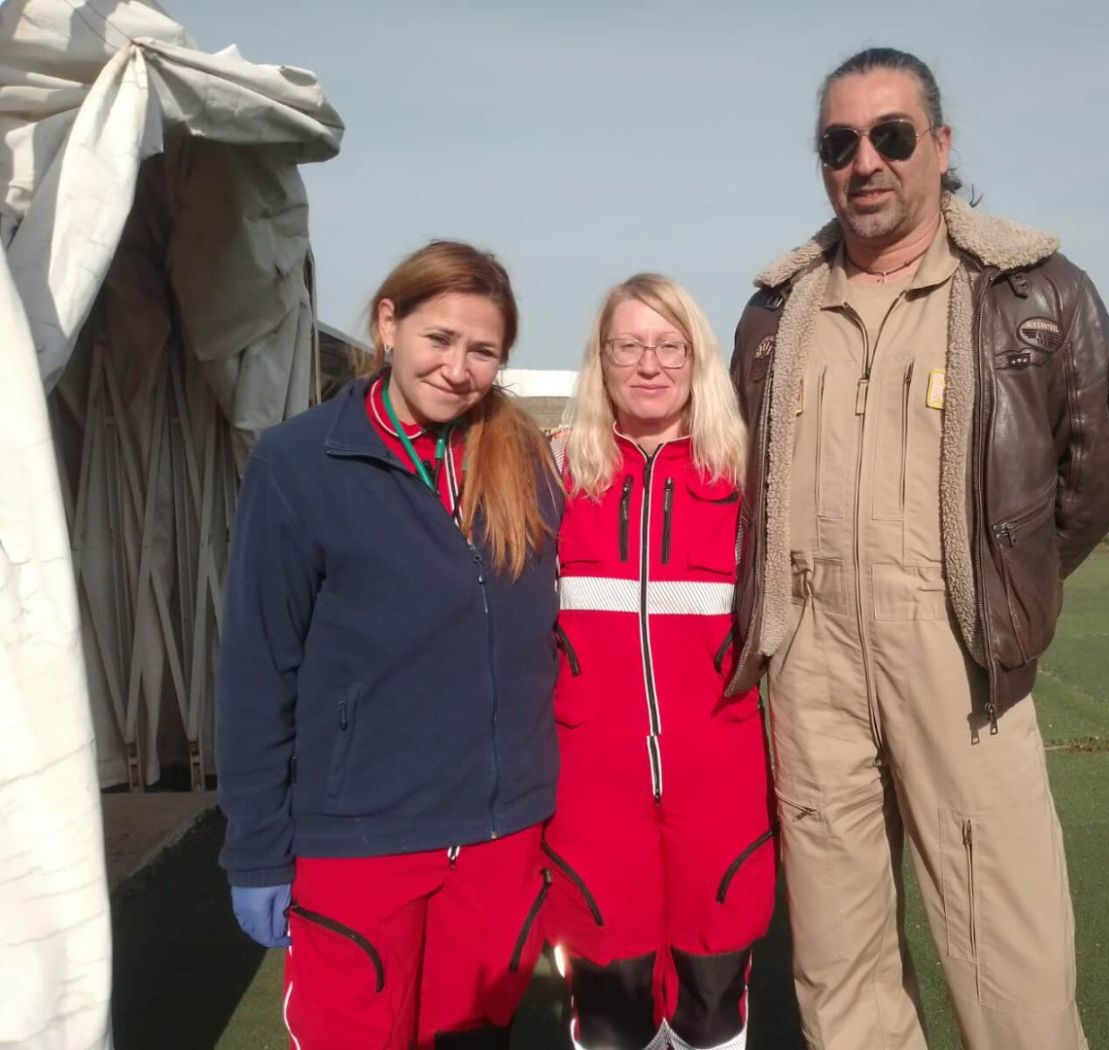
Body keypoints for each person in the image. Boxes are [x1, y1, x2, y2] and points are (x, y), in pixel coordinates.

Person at [726, 48, 1109, 1050]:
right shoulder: (774, 312)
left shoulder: (1034, 290)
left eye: (891, 135)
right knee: (838, 969)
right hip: (810, 666)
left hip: (960, 659)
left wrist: (999, 586)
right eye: (839, 143)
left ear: (940, 146)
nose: (864, 161)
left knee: (1012, 968)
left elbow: (1092, 480)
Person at [215, 241, 561, 1049]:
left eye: (483, 351)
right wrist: (256, 849)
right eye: (439, 338)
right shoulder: (299, 463)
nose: (458, 369)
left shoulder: (525, 459)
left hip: (501, 836)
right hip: (361, 839)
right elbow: (257, 671)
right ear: (388, 324)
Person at [543, 274, 775, 1050]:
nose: (650, 364)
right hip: (590, 790)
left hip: (722, 783)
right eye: (628, 346)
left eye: (670, 345)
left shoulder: (746, 477)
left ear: (697, 357)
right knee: (611, 1009)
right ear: (600, 359)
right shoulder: (554, 473)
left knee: (712, 1004)